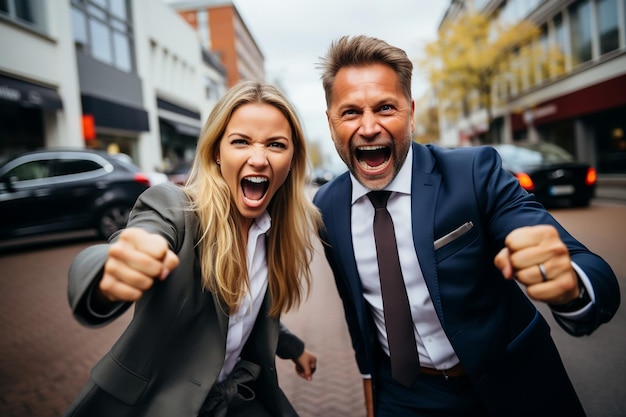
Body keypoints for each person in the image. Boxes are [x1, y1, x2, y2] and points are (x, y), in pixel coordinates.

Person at [313, 35, 620, 417]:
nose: (369, 126)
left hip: (512, 384)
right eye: (351, 112)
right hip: (404, 395)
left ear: (410, 112)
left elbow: (592, 271)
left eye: (385, 107)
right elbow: (354, 306)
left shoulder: (473, 172)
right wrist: (368, 382)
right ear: (330, 123)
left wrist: (571, 284)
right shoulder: (324, 207)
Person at [64, 80, 322, 417]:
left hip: (232, 397)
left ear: (291, 160)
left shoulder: (273, 233)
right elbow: (129, 244)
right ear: (217, 152)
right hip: (155, 404)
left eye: (275, 144)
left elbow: (249, 314)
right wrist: (111, 267)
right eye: (240, 142)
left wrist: (295, 349)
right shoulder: (176, 208)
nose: (258, 159)